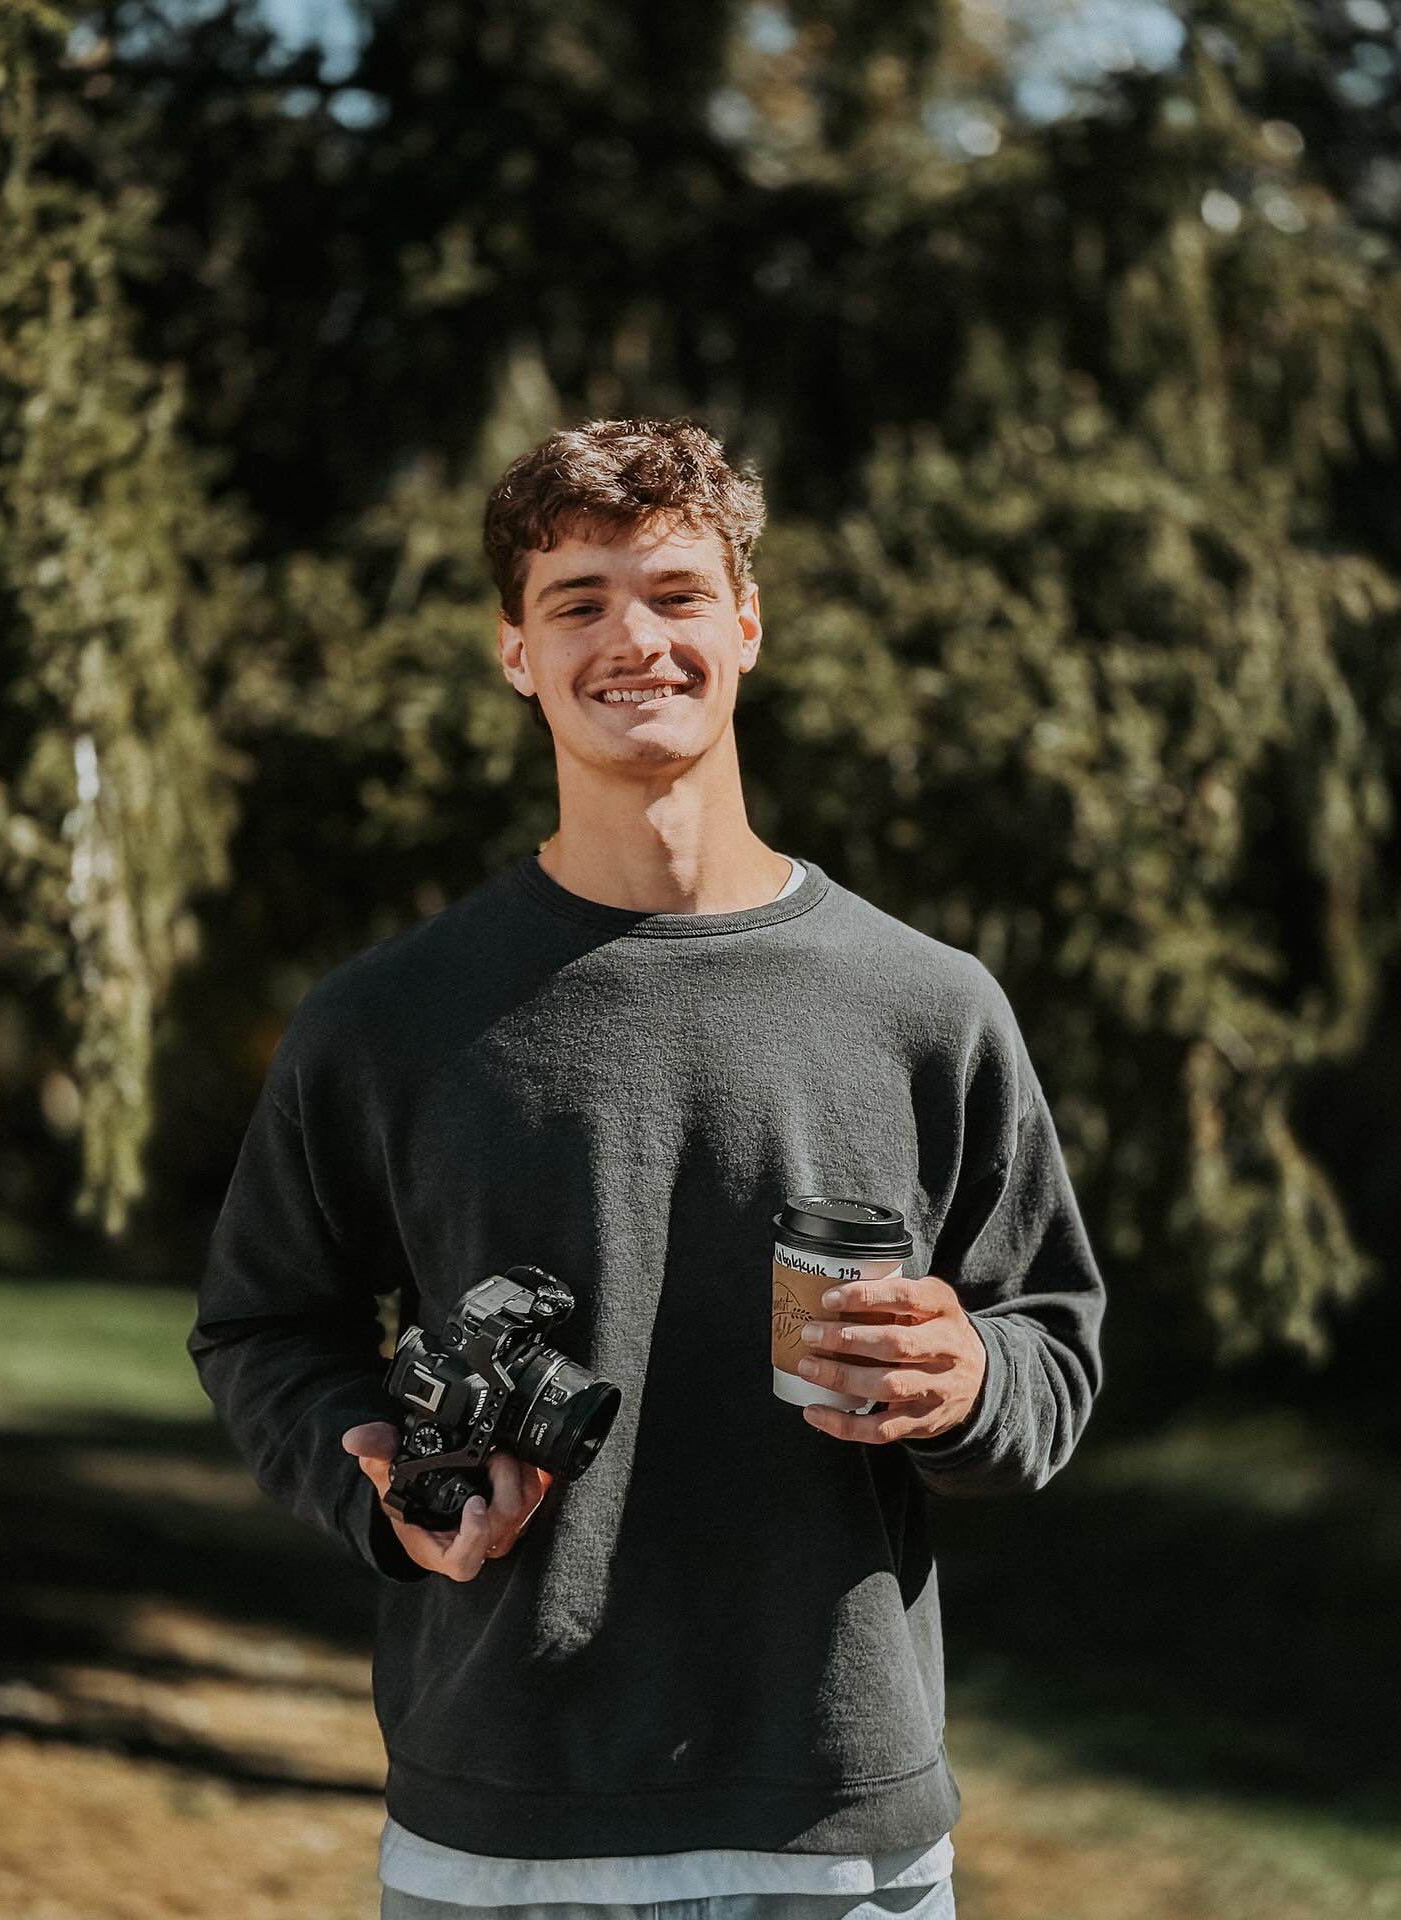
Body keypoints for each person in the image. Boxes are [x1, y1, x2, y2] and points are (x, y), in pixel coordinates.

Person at [189, 416, 1106, 1920]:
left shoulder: (928, 1007)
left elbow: (1050, 1349)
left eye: (677, 593)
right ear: (515, 652)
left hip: (839, 1843)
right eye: (579, 601)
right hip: (496, 1833)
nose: (635, 639)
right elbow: (261, 1327)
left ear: (746, 625)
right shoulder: (387, 1021)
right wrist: (381, 1482)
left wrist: (969, 1383)